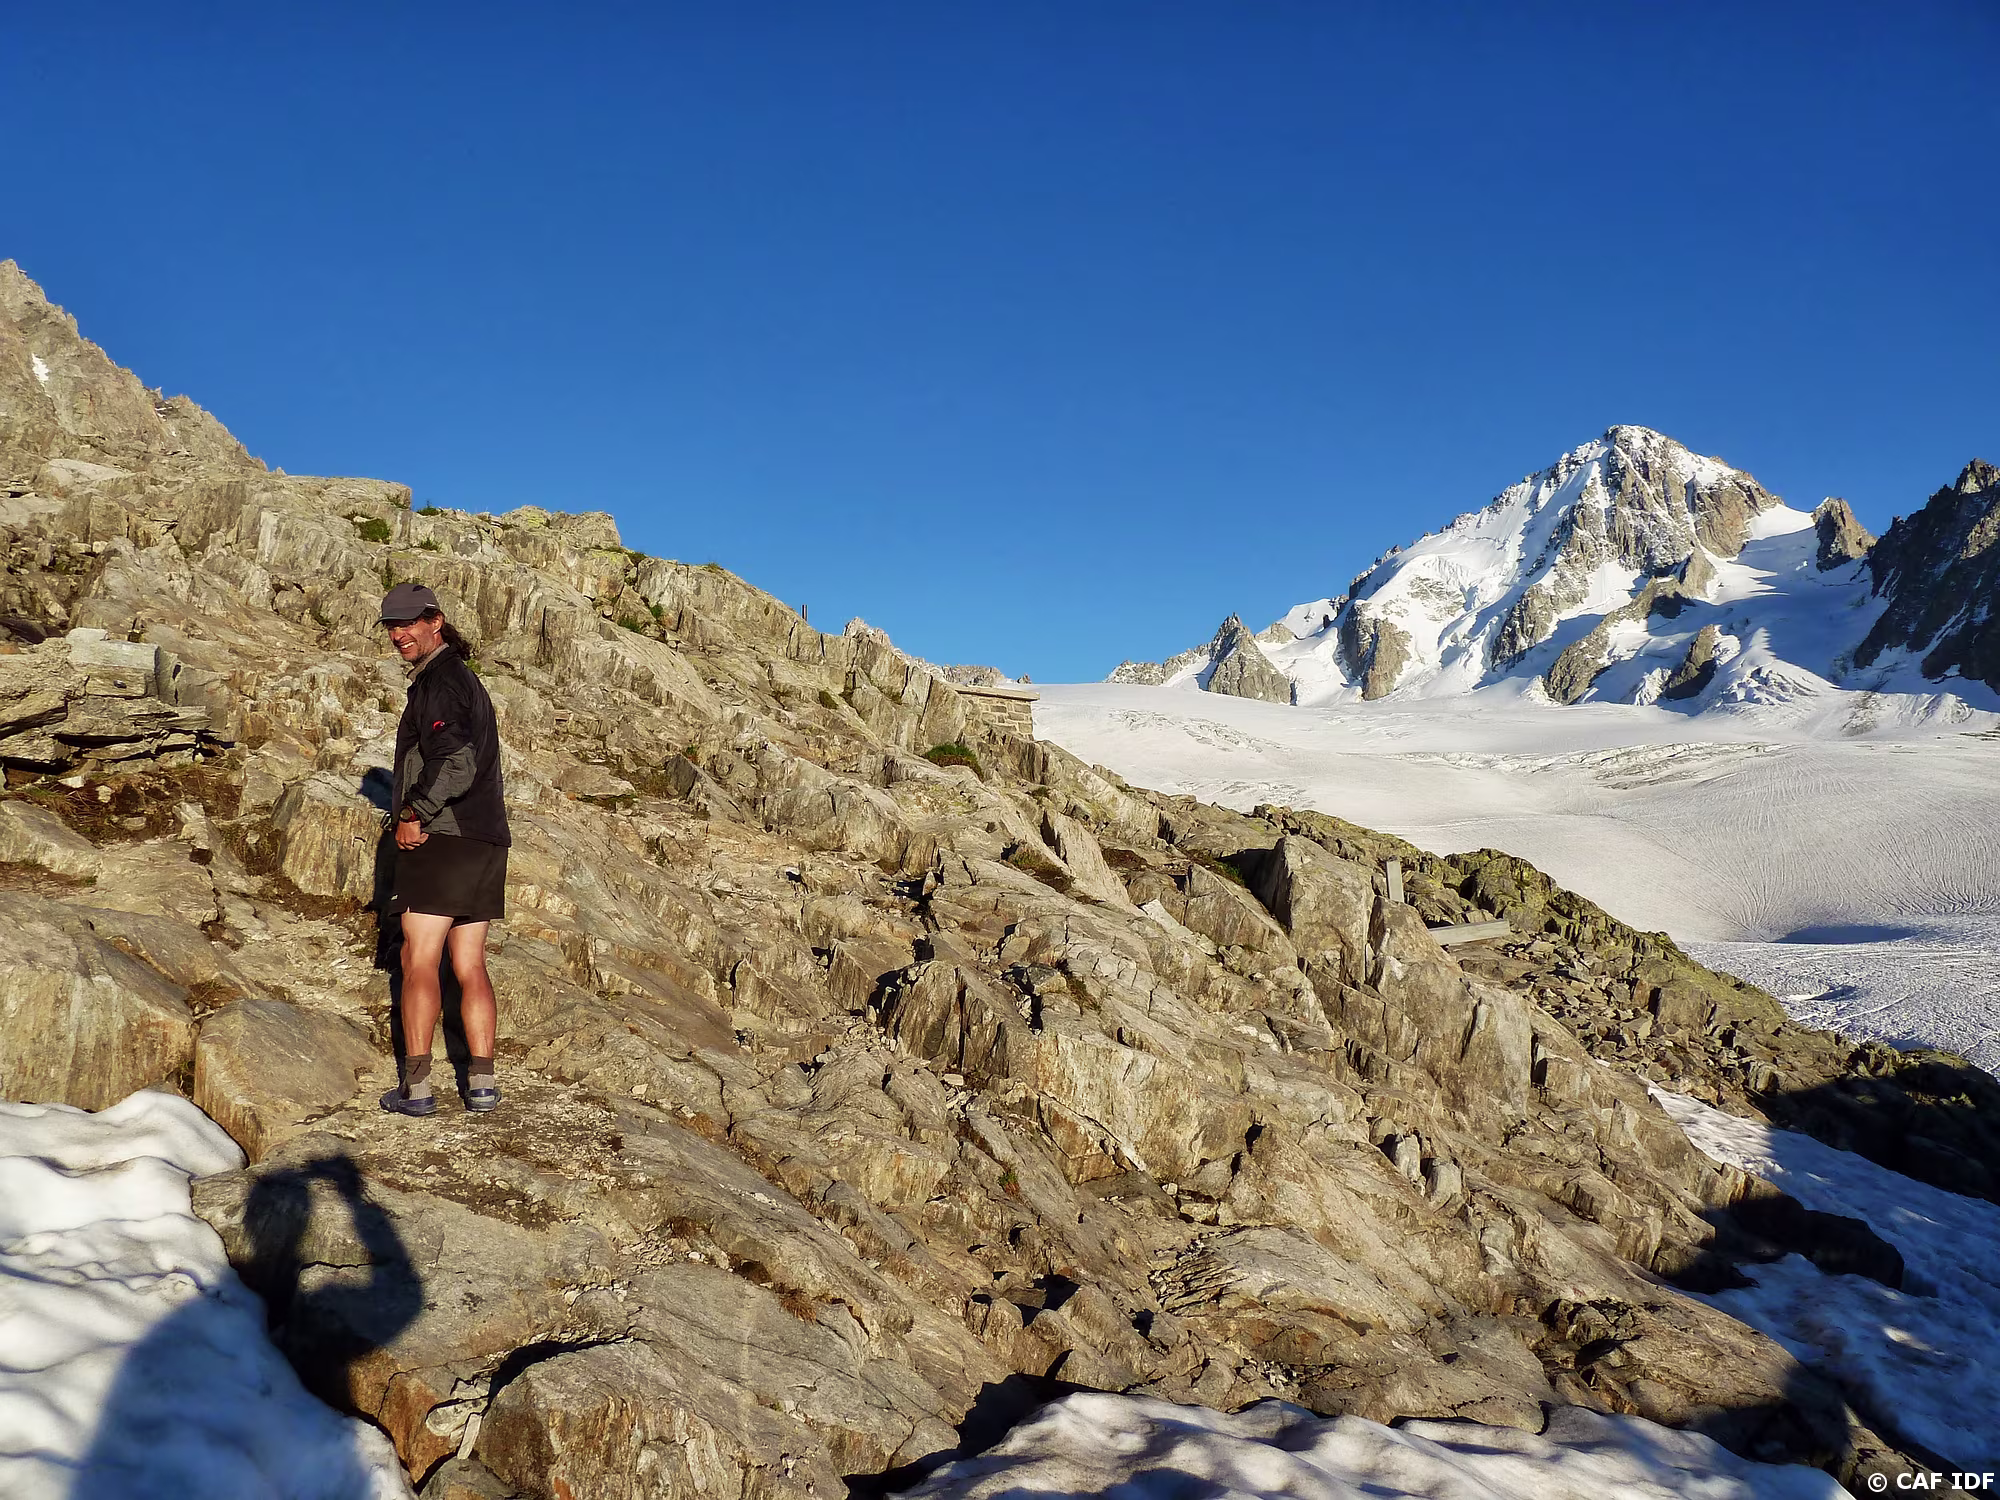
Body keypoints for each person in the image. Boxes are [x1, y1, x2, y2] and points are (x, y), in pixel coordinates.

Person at [376, 582, 510, 1116]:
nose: (399, 635)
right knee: (469, 961)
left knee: (419, 958)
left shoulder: (440, 682)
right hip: (485, 840)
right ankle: (482, 1084)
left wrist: (413, 813)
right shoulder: (464, 680)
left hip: (443, 836)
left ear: (436, 621)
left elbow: (456, 762)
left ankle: (417, 1088)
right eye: (392, 626)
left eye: (409, 623)